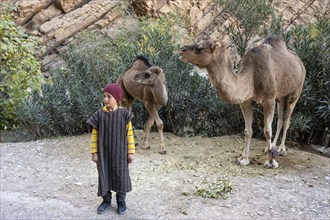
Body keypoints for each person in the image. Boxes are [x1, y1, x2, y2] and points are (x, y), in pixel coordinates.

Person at [86, 83, 135, 215]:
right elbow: (94, 135)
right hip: (104, 154)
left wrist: (130, 152)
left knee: (121, 176)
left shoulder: (124, 115)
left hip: (120, 154)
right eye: (104, 96)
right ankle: (106, 200)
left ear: (117, 98)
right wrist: (94, 152)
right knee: (104, 175)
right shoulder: (99, 115)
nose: (105, 99)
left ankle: (121, 201)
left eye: (109, 96)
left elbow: (129, 135)